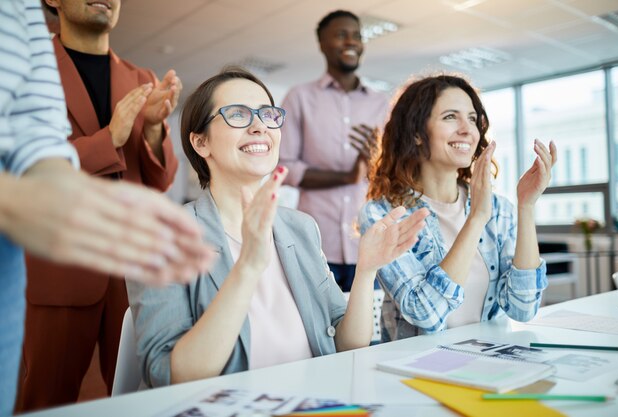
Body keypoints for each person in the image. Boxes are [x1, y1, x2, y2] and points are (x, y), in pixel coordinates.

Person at [127, 67, 429, 387]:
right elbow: (168, 376)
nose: (260, 126)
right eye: (238, 115)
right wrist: (248, 267)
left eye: (268, 115)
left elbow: (345, 345)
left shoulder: (300, 227)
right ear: (201, 142)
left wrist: (366, 270)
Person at [0, 1, 213, 415]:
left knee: (137, 397)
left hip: (130, 272)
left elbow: (162, 178)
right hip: (56, 264)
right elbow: (25, 160)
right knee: (44, 400)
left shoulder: (142, 79)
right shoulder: (32, 60)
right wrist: (108, 138)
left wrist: (152, 131)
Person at [360, 74, 558, 341]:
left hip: (491, 361)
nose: (468, 129)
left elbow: (523, 309)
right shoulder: (384, 214)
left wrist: (526, 206)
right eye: (450, 117)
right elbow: (424, 312)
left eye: (473, 119)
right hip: (419, 369)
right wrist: (475, 219)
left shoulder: (499, 209)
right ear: (417, 133)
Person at [279, 10, 390, 292]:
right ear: (322, 44)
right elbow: (285, 167)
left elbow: (395, 168)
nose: (350, 41)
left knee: (371, 333)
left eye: (356, 35)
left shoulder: (381, 104)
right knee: (319, 331)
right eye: (341, 34)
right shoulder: (299, 97)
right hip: (316, 244)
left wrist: (375, 163)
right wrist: (348, 176)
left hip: (369, 242)